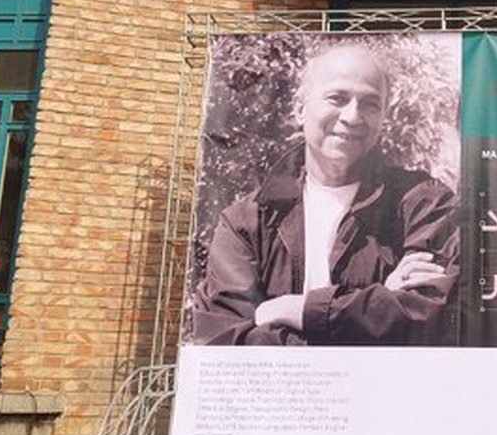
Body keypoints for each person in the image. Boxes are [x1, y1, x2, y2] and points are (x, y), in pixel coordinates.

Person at [187, 46, 459, 346]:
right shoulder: (247, 222)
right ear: (300, 108)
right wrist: (377, 304)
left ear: (383, 116)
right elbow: (225, 339)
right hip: (301, 383)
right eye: (337, 98)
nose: (352, 116)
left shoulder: (424, 203)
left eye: (370, 104)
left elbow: (430, 315)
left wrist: (297, 310)